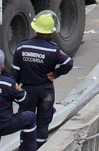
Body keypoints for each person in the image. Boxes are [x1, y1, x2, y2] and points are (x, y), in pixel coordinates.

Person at [12, 11, 73, 147]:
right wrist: (55, 74)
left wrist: (12, 92)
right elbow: (68, 62)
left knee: (26, 120)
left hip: (27, 91)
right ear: (50, 32)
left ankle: (26, 147)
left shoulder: (23, 47)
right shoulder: (53, 50)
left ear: (35, 28)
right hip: (46, 91)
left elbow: (14, 73)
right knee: (44, 120)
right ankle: (41, 147)